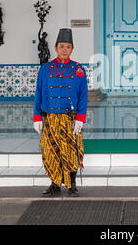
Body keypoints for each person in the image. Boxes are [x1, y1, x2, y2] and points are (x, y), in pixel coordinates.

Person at [33, 28, 88, 197]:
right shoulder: (45, 69)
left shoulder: (78, 69)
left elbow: (83, 95)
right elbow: (39, 93)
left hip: (69, 120)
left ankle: (72, 186)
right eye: (62, 46)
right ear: (56, 48)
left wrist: (80, 118)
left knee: (71, 153)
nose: (65, 50)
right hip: (50, 119)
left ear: (72, 49)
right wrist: (37, 117)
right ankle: (55, 185)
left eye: (68, 47)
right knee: (51, 152)